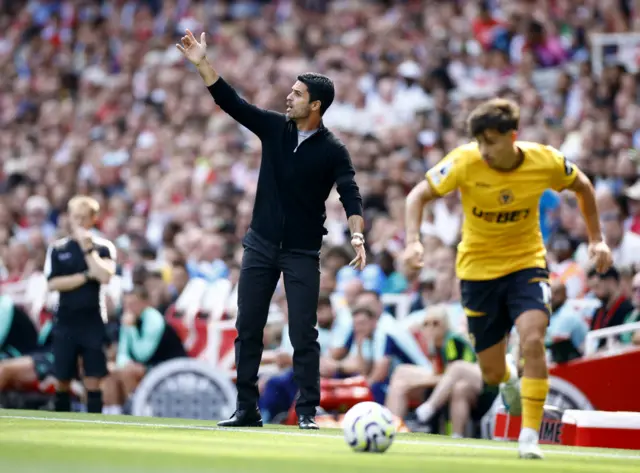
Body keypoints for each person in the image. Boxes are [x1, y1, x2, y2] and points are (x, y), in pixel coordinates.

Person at [402, 98, 612, 459]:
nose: (483, 150)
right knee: (493, 371)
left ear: (513, 135)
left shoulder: (543, 160)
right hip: (476, 273)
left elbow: (584, 186)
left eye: (491, 141)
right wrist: (412, 242)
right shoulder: (464, 161)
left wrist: (596, 240)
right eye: (479, 141)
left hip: (525, 266)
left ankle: (529, 435)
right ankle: (511, 378)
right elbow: (418, 195)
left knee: (532, 339)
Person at [176, 30, 365, 430]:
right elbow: (232, 103)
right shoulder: (274, 128)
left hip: (301, 251)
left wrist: (358, 234)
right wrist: (202, 64)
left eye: (297, 94)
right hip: (260, 244)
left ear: (315, 105)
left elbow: (350, 192)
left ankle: (308, 411)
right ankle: (246, 408)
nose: (288, 97)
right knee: (247, 328)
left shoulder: (333, 150)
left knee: (303, 333)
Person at [45, 196, 116, 414]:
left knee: (93, 379)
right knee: (62, 379)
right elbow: (53, 283)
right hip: (66, 320)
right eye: (75, 217)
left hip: (92, 320)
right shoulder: (59, 248)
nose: (79, 222)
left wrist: (88, 250)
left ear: (93, 219)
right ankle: (60, 423)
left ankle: (95, 424)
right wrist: (86, 276)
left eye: (84, 218)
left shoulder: (103, 247)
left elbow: (104, 275)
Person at [102, 285, 186, 415]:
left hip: (168, 367)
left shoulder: (154, 319)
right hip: (148, 365)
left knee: (128, 372)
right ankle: (113, 414)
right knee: (111, 372)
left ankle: (136, 410)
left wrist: (130, 329)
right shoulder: (130, 319)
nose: (128, 308)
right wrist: (122, 364)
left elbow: (143, 354)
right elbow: (123, 353)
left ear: (145, 303)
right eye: (126, 304)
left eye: (133, 304)